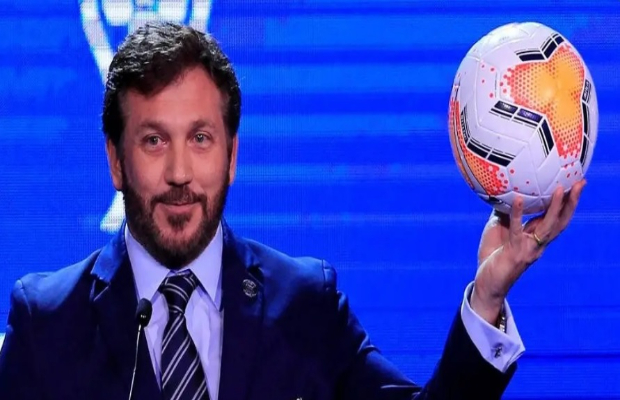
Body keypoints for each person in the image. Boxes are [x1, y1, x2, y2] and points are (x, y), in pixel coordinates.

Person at [0, 22, 585, 400]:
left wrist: (487, 298)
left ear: (232, 155)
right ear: (115, 161)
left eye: (200, 138)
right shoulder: (46, 321)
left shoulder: (305, 303)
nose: (179, 172)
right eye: (154, 140)